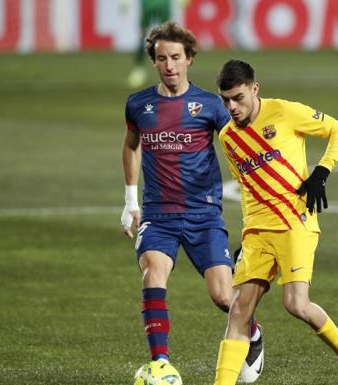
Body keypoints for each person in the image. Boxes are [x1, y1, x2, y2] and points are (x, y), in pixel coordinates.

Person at [120, 23, 264, 381]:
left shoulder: (212, 106)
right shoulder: (139, 105)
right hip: (159, 216)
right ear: (154, 62)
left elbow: (241, 143)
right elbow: (131, 145)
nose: (169, 66)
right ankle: (160, 362)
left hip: (204, 215)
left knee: (222, 295)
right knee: (153, 274)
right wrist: (129, 200)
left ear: (189, 60)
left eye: (175, 58)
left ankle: (254, 334)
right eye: (161, 59)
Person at [211, 59, 338, 385]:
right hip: (258, 231)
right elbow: (248, 189)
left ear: (255, 89)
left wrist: (322, 171)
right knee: (239, 312)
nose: (231, 107)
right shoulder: (227, 138)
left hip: (295, 223)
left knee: (296, 304)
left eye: (238, 98)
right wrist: (246, 237)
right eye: (225, 100)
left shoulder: (284, 112)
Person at [122, 0, 189, 88]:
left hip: (163, 3)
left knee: (167, 36)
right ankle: (138, 69)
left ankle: (172, 71)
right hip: (147, 3)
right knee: (143, 36)